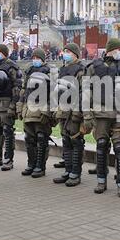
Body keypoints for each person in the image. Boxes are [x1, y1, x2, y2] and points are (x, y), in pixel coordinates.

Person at [84, 38, 120, 198]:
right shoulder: (93, 68)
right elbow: (86, 92)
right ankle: (101, 181)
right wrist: (87, 114)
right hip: (100, 114)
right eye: (118, 49)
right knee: (101, 146)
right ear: (109, 50)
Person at [53, 43, 86, 187]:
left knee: (76, 141)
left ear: (76, 54)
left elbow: (83, 93)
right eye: (64, 51)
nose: (65, 53)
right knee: (66, 140)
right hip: (63, 109)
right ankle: (67, 170)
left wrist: (78, 112)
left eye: (68, 51)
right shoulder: (63, 69)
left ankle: (75, 173)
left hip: (74, 110)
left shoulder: (81, 70)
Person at [18, 48, 53, 178]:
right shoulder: (29, 71)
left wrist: (47, 110)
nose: (35, 60)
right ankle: (31, 163)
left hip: (42, 107)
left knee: (41, 137)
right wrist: (20, 106)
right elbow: (23, 91)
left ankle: (40, 165)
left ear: (43, 59)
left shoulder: (50, 72)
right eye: (33, 58)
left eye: (38, 58)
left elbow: (53, 92)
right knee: (29, 138)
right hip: (29, 108)